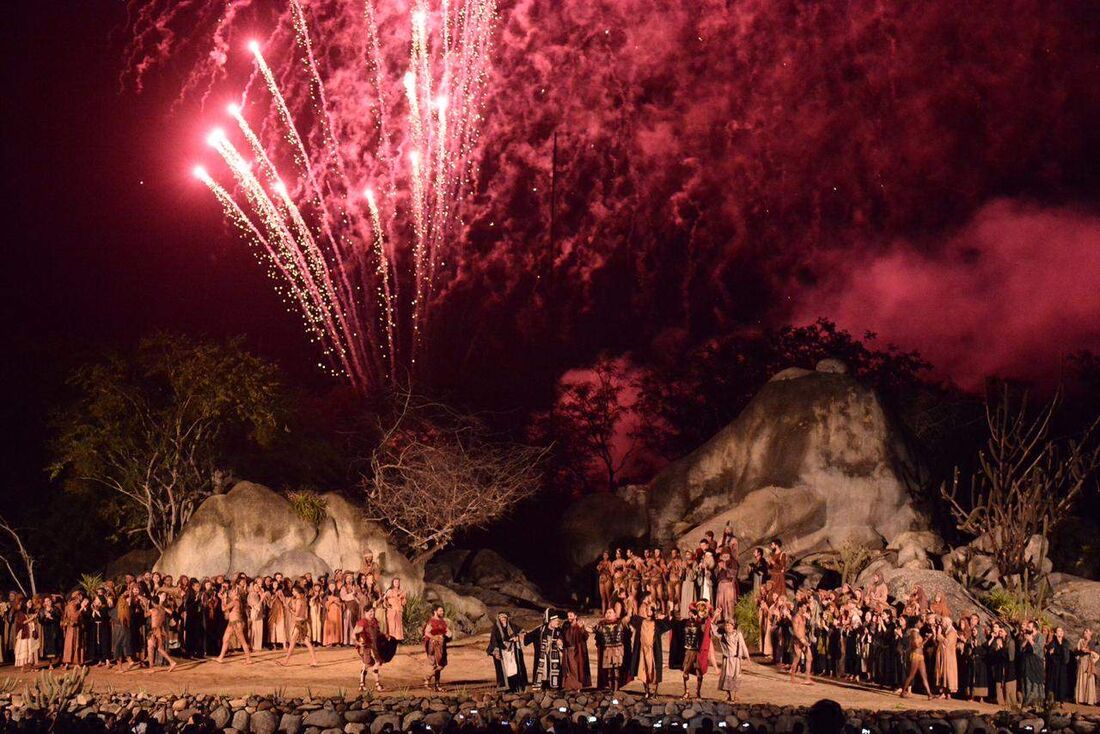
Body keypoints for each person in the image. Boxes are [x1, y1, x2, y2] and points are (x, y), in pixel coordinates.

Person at [628, 602, 672, 698]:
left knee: (654, 672)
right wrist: (631, 607)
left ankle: (655, 692)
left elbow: (668, 623)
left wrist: (668, 611)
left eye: (651, 609)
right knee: (643, 671)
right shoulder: (640, 621)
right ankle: (646, 691)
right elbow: (631, 618)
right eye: (647, 609)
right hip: (642, 652)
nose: (649, 611)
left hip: (653, 651)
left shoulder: (657, 624)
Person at [710, 617, 750, 702]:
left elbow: (743, 645)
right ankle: (728, 694)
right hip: (727, 659)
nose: (728, 627)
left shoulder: (738, 634)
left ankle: (735, 695)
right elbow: (713, 628)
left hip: (735, 659)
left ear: (733, 626)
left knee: (736, 676)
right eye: (726, 625)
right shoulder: (723, 636)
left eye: (730, 625)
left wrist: (747, 656)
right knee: (727, 676)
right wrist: (715, 617)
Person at [277, 586, 319, 667]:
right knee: (305, 642)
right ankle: (314, 660)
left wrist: (289, 610)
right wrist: (284, 601)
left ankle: (285, 661)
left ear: (297, 592)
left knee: (294, 641)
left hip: (300, 623)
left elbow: (296, 614)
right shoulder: (302, 600)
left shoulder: (299, 601)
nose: (292, 592)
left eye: (294, 591)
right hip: (302, 622)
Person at [486, 611, 528, 692]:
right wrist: (496, 652)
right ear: (499, 619)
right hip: (502, 652)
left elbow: (523, 632)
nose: (503, 619)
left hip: (512, 651)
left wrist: (517, 638)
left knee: (515, 669)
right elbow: (493, 641)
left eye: (505, 618)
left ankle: (516, 687)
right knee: (505, 671)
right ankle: (506, 689)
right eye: (501, 618)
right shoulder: (496, 629)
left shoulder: (512, 626)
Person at [678, 602, 713, 700]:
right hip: (689, 650)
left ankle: (698, 693)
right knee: (685, 671)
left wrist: (706, 607)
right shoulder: (687, 622)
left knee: (699, 672)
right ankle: (686, 691)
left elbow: (708, 620)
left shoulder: (703, 622)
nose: (700, 613)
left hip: (698, 650)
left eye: (702, 611)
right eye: (699, 611)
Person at [526, 609, 566, 690]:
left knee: (554, 670)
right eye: (555, 620)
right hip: (542, 656)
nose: (557, 622)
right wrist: (519, 637)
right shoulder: (540, 630)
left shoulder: (559, 631)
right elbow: (528, 637)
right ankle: (542, 686)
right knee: (542, 670)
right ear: (550, 621)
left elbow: (564, 639)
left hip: (554, 657)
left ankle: (554, 688)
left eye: (558, 620)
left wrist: (560, 641)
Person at [354, 610, 392, 692]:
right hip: (366, 647)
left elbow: (377, 632)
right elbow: (353, 634)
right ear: (365, 612)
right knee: (374, 663)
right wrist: (358, 643)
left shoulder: (374, 621)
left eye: (373, 612)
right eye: (370, 612)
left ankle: (362, 684)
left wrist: (384, 635)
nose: (372, 613)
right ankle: (377, 685)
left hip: (374, 646)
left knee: (366, 665)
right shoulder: (362, 623)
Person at [594, 607, 630, 692]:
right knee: (609, 670)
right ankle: (610, 689)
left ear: (615, 614)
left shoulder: (621, 623)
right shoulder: (601, 624)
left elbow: (628, 629)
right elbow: (593, 630)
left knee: (617, 669)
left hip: (618, 649)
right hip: (607, 649)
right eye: (607, 613)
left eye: (610, 612)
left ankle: (616, 689)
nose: (608, 614)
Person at [214, 588, 253, 664]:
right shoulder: (236, 601)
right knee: (225, 638)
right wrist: (223, 599)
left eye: (232, 592)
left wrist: (222, 598)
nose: (230, 593)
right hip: (232, 623)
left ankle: (248, 659)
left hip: (236, 623)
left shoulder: (236, 601)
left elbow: (224, 608)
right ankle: (220, 657)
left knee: (242, 641)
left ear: (236, 593)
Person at [144, 592, 178, 671]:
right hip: (160, 630)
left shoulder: (153, 610)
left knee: (150, 648)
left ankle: (151, 668)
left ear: (152, 602)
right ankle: (172, 662)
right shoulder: (162, 609)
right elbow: (170, 612)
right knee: (159, 648)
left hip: (154, 630)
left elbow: (145, 615)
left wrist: (146, 605)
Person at [562, 609, 592, 691]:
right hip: (568, 650)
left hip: (578, 651)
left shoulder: (580, 625)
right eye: (568, 616)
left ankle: (578, 687)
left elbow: (585, 637)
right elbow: (563, 636)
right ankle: (570, 687)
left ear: (575, 616)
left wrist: (581, 628)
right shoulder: (566, 625)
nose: (569, 618)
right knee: (569, 669)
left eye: (571, 616)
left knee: (578, 669)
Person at [422, 604, 451, 691]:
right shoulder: (432, 621)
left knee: (440, 664)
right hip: (433, 644)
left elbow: (447, 631)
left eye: (442, 611)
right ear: (435, 612)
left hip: (441, 644)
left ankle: (433, 682)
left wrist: (449, 634)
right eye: (440, 611)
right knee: (439, 664)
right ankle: (429, 679)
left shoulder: (442, 621)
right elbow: (426, 632)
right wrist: (435, 638)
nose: (442, 612)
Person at [900, 623, 933, 699]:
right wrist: (926, 640)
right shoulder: (914, 632)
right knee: (911, 675)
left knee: (924, 675)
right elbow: (916, 645)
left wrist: (926, 639)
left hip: (920, 656)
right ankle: (903, 691)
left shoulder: (917, 632)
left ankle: (929, 693)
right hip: (915, 655)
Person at [1019, 621, 1045, 705]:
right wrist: (1026, 640)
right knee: (1026, 682)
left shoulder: (1040, 637)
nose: (1027, 628)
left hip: (1036, 664)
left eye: (1029, 627)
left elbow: (1038, 650)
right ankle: (1026, 702)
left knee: (1035, 684)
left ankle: (1036, 703)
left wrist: (1030, 640)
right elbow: (1021, 649)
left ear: (1034, 628)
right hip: (1027, 663)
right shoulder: (1026, 635)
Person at [1045, 626, 1073, 702]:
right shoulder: (1053, 642)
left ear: (1063, 633)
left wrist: (1057, 649)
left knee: (1061, 682)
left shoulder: (1065, 642)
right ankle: (1052, 699)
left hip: (1062, 665)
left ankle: (1061, 699)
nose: (1059, 632)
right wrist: (1050, 652)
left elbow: (1065, 653)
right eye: (1058, 631)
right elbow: (1049, 651)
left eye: (1061, 631)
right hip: (1054, 665)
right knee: (1053, 681)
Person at [790, 602, 814, 686]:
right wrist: (801, 639)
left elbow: (805, 629)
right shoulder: (796, 617)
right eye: (804, 607)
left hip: (804, 640)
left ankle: (807, 678)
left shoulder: (804, 617)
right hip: (798, 640)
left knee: (809, 658)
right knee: (797, 658)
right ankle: (792, 677)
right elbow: (795, 631)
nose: (805, 609)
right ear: (800, 608)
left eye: (805, 608)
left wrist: (806, 638)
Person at [935, 617, 958, 698]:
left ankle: (947, 693)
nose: (942, 624)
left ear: (947, 623)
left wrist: (939, 634)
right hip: (944, 656)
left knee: (948, 674)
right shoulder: (947, 631)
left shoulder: (952, 632)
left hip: (949, 657)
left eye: (943, 622)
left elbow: (946, 643)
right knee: (943, 673)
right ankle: (944, 693)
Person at [1075, 628, 1098, 705]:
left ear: (1090, 633)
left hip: (1089, 662)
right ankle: (1081, 699)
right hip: (1082, 661)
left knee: (1089, 679)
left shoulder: (1093, 642)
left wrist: (1088, 651)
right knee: (1082, 678)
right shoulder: (1080, 641)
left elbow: (1096, 653)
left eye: (1087, 631)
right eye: (1084, 631)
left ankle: (1089, 700)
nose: (1085, 632)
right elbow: (1077, 651)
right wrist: (1081, 651)